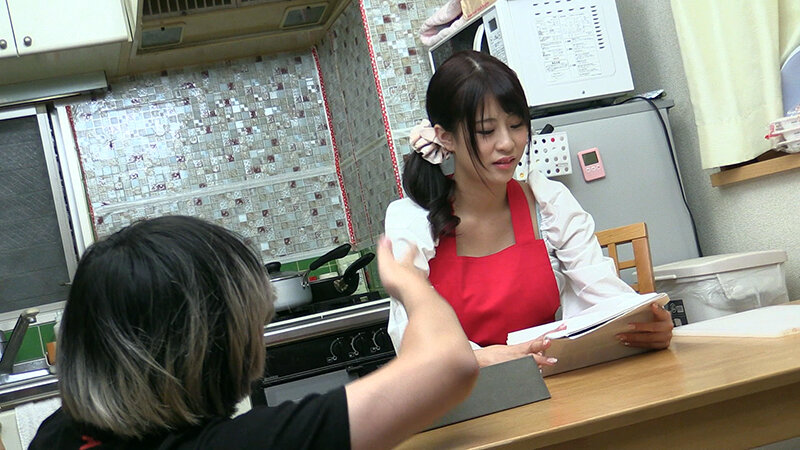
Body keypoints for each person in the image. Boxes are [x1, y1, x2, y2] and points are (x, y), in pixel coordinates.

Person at [30, 215, 478, 450]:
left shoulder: (58, 433)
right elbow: (448, 365)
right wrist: (408, 281)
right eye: (252, 325)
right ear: (209, 349)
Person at [385, 50, 673, 368]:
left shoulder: (549, 205)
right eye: (486, 131)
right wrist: (484, 360)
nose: (507, 143)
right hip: (467, 393)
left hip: (553, 383)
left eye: (516, 125)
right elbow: (415, 339)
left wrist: (644, 324)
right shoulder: (412, 223)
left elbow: (605, 296)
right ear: (445, 137)